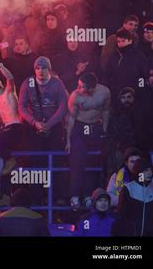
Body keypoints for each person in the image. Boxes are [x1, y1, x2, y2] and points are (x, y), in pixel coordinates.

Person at [66, 72, 110, 210]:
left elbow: (106, 111)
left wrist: (103, 131)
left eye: (82, 87)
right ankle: (74, 196)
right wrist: (68, 139)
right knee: (77, 159)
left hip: (95, 127)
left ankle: (88, 196)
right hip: (79, 127)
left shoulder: (104, 92)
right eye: (78, 85)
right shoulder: (75, 96)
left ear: (92, 88)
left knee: (93, 162)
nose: (79, 89)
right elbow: (71, 118)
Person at [0, 63, 22, 206]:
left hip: (17, 127)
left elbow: (11, 78)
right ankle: (3, 194)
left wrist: (0, 65)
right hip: (5, 132)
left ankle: (10, 159)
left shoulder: (9, 91)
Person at [18, 56, 68, 150]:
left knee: (56, 153)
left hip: (53, 124)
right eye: (37, 68)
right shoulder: (27, 83)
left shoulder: (57, 83)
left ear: (49, 69)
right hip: (33, 125)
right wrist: (34, 122)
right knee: (33, 154)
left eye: (44, 68)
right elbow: (21, 106)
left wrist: (49, 124)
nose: (40, 71)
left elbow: (63, 106)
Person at [112, 158, 153, 236]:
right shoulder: (128, 189)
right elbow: (122, 217)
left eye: (151, 170)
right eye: (145, 170)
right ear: (139, 171)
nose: (149, 173)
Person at [103, 29, 149, 108]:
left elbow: (144, 75)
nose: (120, 44)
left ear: (130, 41)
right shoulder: (114, 56)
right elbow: (108, 74)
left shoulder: (139, 55)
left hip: (134, 94)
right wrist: (110, 89)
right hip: (116, 93)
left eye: (123, 41)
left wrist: (140, 90)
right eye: (118, 41)